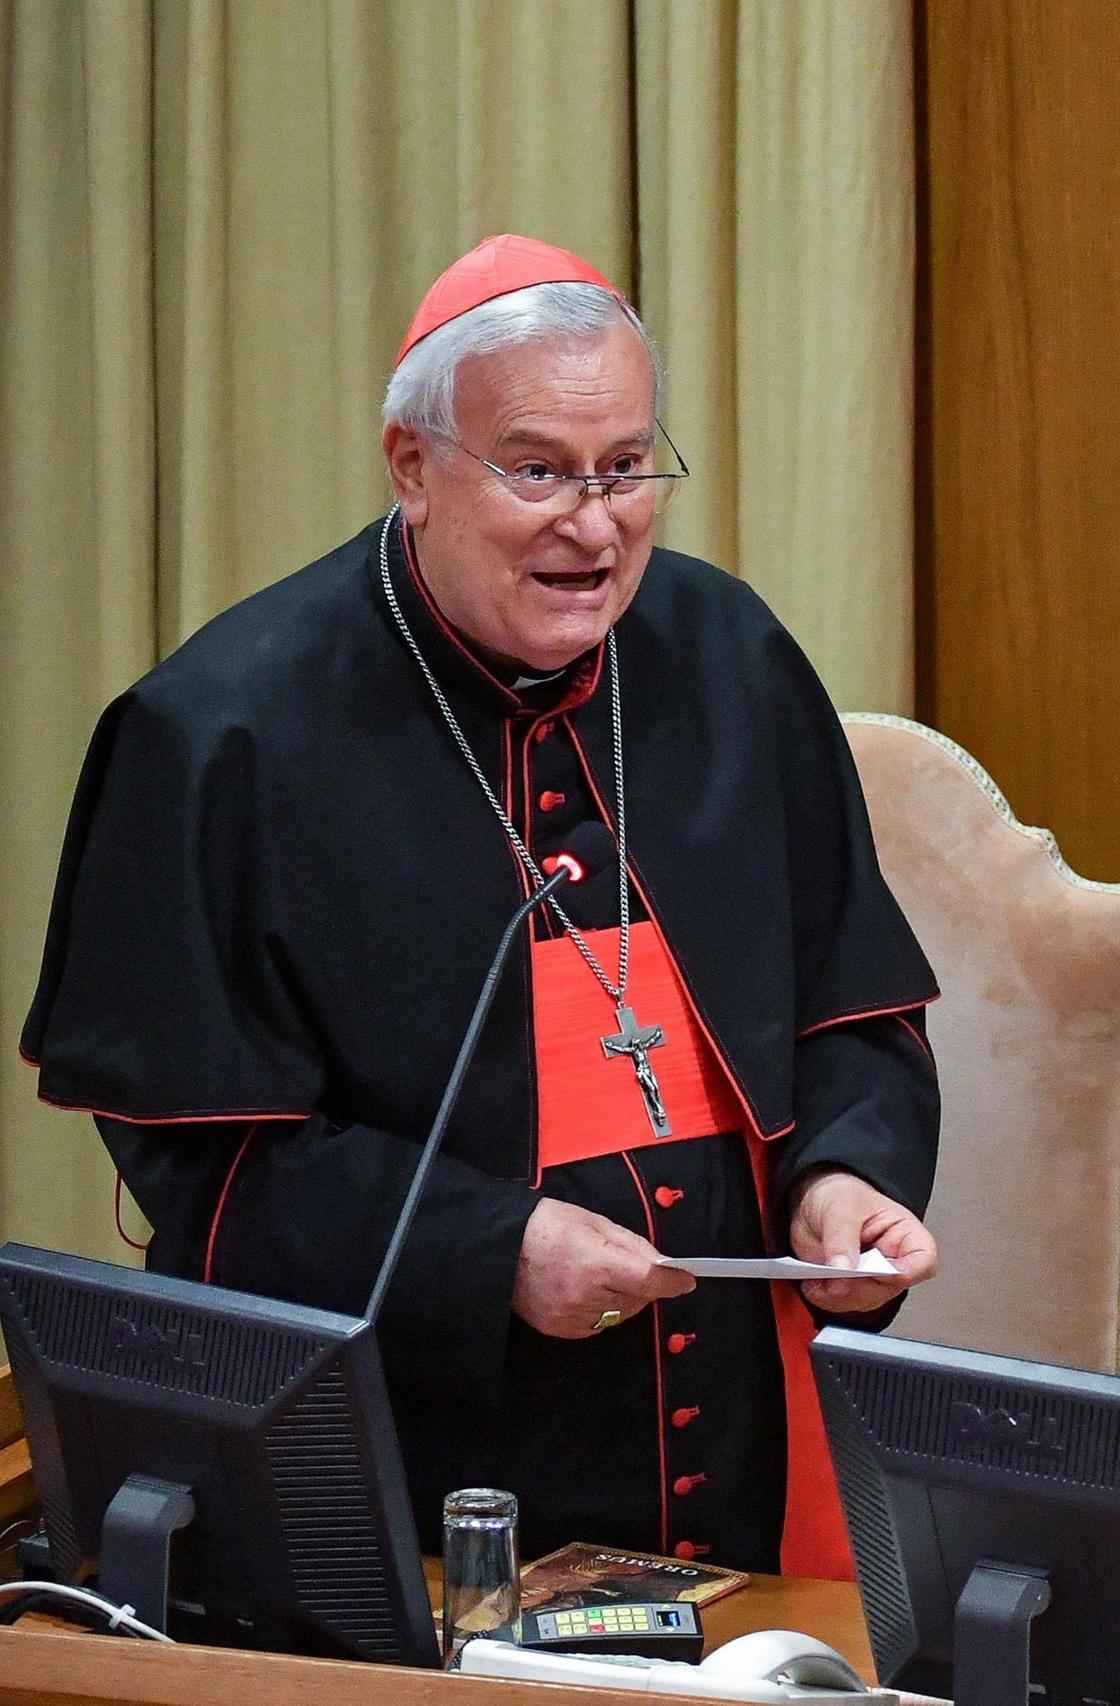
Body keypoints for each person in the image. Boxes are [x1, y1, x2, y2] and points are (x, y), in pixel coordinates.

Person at [20, 235, 940, 1578]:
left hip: (746, 1471)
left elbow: (851, 1006)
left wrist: (848, 1172)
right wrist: (488, 1245)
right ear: (412, 465)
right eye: (539, 469)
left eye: (628, 467)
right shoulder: (221, 731)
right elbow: (198, 1159)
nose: (595, 522)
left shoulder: (731, 658)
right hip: (412, 1473)